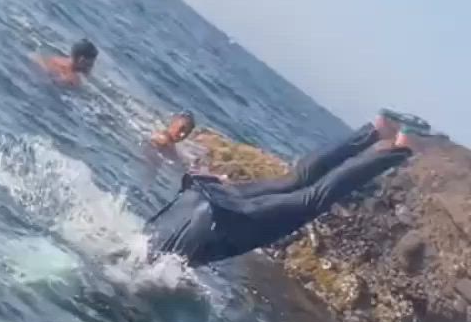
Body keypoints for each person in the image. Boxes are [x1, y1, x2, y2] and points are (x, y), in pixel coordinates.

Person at [145, 113, 427, 268]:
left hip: (224, 223)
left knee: (312, 199)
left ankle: (401, 147)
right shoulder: (141, 239)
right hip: (205, 194)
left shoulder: (152, 269)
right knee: (295, 179)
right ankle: (378, 128)